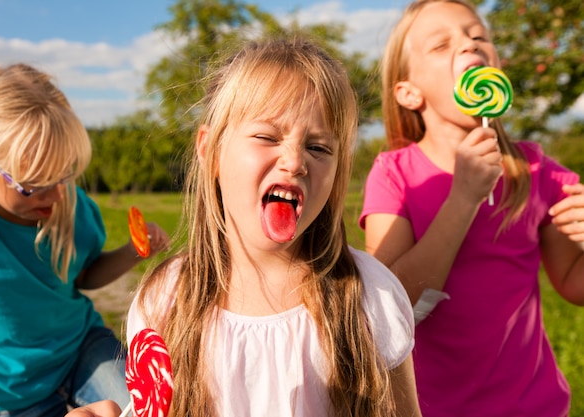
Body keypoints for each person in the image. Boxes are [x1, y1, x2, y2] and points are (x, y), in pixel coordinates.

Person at [66, 37, 421, 417]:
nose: (295, 161)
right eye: (267, 137)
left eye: (319, 147)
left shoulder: (370, 295)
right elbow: (151, 405)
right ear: (211, 152)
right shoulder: (164, 300)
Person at [359, 0, 584, 416]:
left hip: (535, 405)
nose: (469, 45)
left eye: (479, 36)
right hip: (428, 407)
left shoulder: (537, 172)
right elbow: (387, 307)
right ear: (409, 93)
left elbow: (574, 283)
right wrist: (462, 198)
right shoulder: (395, 175)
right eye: (441, 46)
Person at [0, 63, 169, 417]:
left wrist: (133, 251)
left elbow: (85, 275)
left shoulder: (71, 206)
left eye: (64, 176)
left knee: (147, 409)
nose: (56, 196)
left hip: (81, 348)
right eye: (34, 184)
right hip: (14, 392)